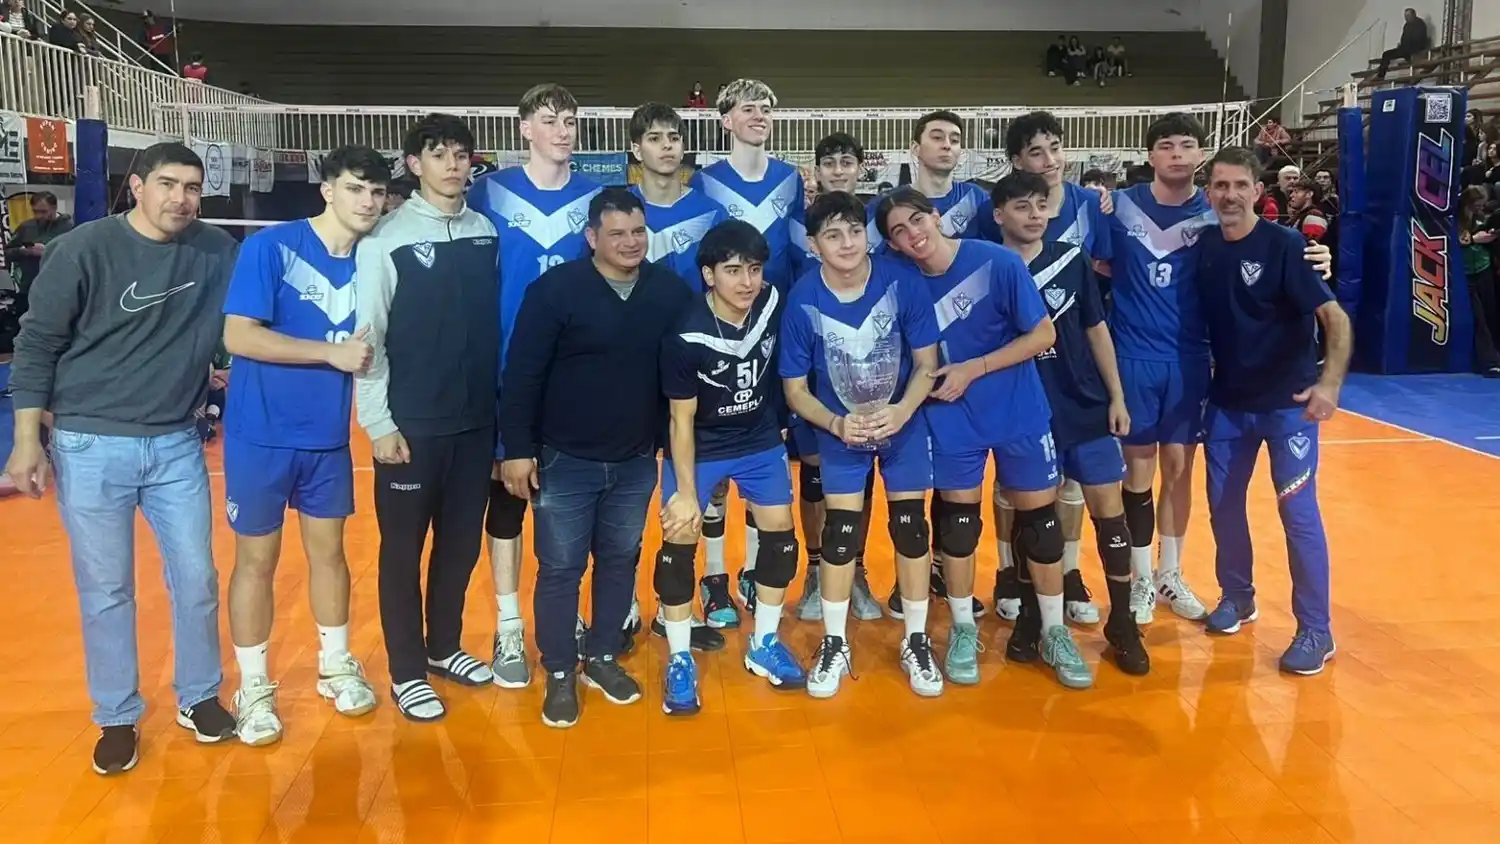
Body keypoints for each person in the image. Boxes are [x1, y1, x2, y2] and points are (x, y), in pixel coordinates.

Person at [4, 142, 239, 774]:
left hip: (174, 443)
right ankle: (115, 715)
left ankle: (198, 697)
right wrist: (28, 440)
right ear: (135, 185)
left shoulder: (215, 251)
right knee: (106, 589)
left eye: (192, 187)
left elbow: (236, 329)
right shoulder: (83, 249)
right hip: (89, 442)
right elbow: (36, 345)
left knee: (196, 579)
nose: (180, 199)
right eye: (167, 184)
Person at [1105, 115, 1333, 628]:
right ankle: (1141, 577)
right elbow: (1092, 260)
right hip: (1134, 357)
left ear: (1202, 158)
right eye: (1167, 146)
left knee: (1181, 471)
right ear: (1151, 156)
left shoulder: (1213, 220)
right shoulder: (1117, 207)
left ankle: (1171, 572)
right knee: (1138, 473)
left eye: (1189, 146)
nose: (1178, 155)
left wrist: (1313, 256)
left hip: (1191, 362)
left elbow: (1269, 249)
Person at [878, 186, 1089, 689]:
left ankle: (1055, 631)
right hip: (951, 418)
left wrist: (974, 368)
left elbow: (1043, 335)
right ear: (893, 244)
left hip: (1017, 410)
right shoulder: (904, 284)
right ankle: (963, 627)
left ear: (935, 215)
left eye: (916, 220)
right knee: (958, 526)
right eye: (899, 232)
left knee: (1040, 524)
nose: (913, 235)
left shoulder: (996, 262)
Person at [499, 188, 694, 728]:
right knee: (561, 569)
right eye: (617, 234)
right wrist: (516, 450)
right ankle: (560, 668)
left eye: (638, 232)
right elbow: (522, 375)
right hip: (566, 459)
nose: (631, 243)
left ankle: (603, 656)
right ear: (592, 238)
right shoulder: (556, 290)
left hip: (634, 461)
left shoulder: (667, 291)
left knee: (619, 560)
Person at [220, 145, 392, 746]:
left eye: (376, 192)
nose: (367, 202)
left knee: (331, 556)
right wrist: (329, 353)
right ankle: (255, 686)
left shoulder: (374, 259)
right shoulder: (271, 247)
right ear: (327, 189)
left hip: (326, 438)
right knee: (256, 563)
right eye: (354, 189)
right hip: (259, 434)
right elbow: (239, 336)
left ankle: (335, 664)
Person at [355, 113, 500, 722]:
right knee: (402, 552)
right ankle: (407, 670)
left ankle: (443, 646)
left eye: (462, 155)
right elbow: (370, 339)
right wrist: (378, 424)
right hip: (411, 426)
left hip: (476, 426)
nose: (453, 164)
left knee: (462, 546)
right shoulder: (383, 239)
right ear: (414, 164)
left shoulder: (486, 230)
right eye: (439, 154)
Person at [1195, 147, 1351, 675]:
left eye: (1240, 185)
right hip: (1229, 407)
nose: (1230, 195)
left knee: (1298, 514)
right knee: (1222, 507)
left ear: (1259, 192)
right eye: (1220, 186)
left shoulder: (1286, 247)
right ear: (1209, 192)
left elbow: (1335, 319)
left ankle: (1316, 630)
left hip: (1290, 409)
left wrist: (1328, 384)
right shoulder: (1205, 245)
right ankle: (1237, 595)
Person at [780, 191, 941, 699]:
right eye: (832, 234)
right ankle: (834, 642)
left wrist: (902, 410)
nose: (846, 242)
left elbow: (926, 364)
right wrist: (836, 423)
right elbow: (795, 389)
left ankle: (916, 640)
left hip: (903, 428)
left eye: (854, 231)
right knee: (841, 534)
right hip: (841, 434)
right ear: (814, 243)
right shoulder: (803, 299)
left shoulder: (902, 284)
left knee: (911, 528)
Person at [989, 173, 1149, 676]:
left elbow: (1096, 331)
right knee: (1036, 520)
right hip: (1023, 412)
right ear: (999, 215)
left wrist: (1117, 395)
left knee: (1109, 511)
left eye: (1041, 205)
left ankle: (1122, 620)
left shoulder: (1071, 259)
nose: (1035, 214)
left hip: (1084, 405)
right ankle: (1034, 616)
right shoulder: (986, 267)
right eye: (1022, 206)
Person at [468, 83, 602, 688]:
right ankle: (509, 624)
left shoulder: (598, 199)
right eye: (550, 120)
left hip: (574, 379)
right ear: (524, 128)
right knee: (506, 504)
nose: (563, 130)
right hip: (504, 372)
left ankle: (562, 611)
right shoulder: (488, 192)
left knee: (566, 504)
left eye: (571, 120)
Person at [656, 220, 807, 714]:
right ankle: (679, 657)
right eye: (733, 270)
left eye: (755, 270)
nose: (747, 282)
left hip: (760, 438)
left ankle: (763, 643)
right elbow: (680, 420)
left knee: (782, 540)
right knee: (678, 543)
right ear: (708, 275)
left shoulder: (770, 303)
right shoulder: (684, 334)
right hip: (701, 445)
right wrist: (682, 491)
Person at [692, 78, 806, 622]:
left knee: (769, 455)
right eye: (747, 108)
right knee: (714, 466)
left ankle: (756, 570)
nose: (758, 114)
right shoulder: (705, 183)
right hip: (723, 335)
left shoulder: (790, 179)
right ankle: (714, 576)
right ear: (725, 120)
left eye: (765, 107)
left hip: (776, 335)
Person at [1002, 111, 1116, 625]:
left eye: (1054, 148)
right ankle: (1013, 573)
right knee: (1018, 487)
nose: (1048, 161)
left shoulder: (1092, 206)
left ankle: (1067, 574)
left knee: (1071, 485)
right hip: (1018, 381)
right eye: (1035, 152)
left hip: (1074, 375)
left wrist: (1115, 391)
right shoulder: (994, 242)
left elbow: (1100, 305)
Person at [625, 101, 728, 652]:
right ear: (636, 150)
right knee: (629, 485)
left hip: (696, 367)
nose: (666, 146)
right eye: (654, 138)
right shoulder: (619, 210)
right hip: (633, 367)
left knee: (699, 480)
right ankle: (623, 602)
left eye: (673, 137)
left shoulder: (710, 212)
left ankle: (696, 591)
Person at [788, 131, 884, 625]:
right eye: (831, 162)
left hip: (866, 374)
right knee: (815, 476)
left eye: (849, 161)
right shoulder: (795, 228)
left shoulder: (872, 224)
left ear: (860, 168)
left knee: (858, 480)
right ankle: (816, 567)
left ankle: (858, 569)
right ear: (817, 169)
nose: (840, 169)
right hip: (809, 369)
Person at [868, 111, 997, 251]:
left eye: (954, 141)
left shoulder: (975, 197)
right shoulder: (885, 204)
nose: (947, 145)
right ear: (915, 149)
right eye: (937, 138)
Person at [4, 191, 74, 318]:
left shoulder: (69, 229)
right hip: (28, 290)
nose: (39, 216)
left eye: (43, 211)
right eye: (35, 211)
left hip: (58, 291)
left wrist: (49, 251)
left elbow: (77, 257)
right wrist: (23, 251)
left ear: (54, 208)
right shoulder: (26, 227)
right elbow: (7, 253)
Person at [1374, 7, 1429, 79]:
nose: (1406, 18)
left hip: (1415, 49)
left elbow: (1418, 39)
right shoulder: (1406, 25)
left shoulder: (1420, 24)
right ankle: (1381, 75)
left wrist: (1405, 46)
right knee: (1386, 54)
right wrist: (1401, 46)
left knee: (1403, 53)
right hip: (1405, 49)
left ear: (1414, 15)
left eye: (1408, 16)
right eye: (1405, 16)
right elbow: (1403, 38)